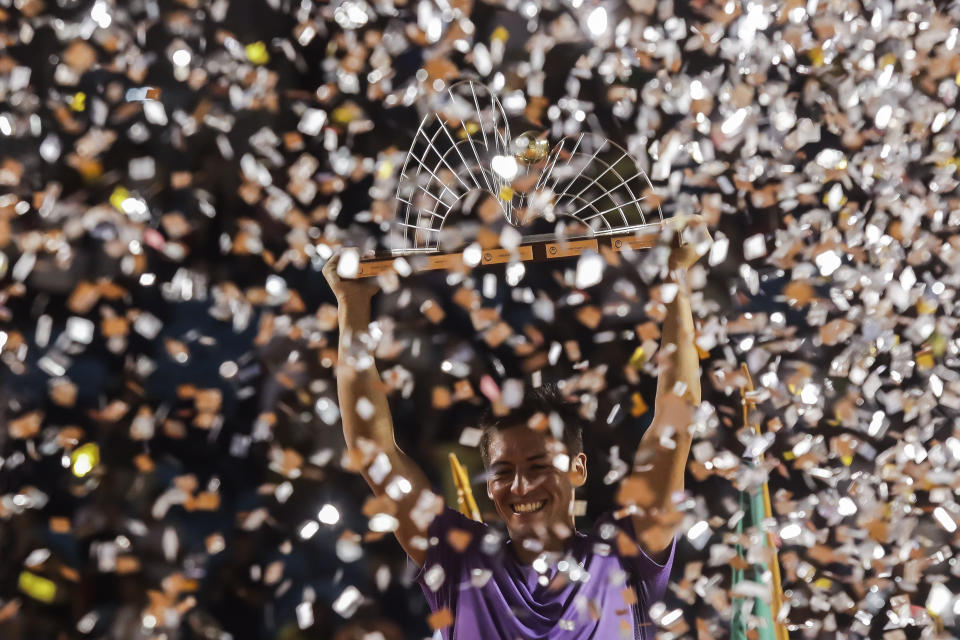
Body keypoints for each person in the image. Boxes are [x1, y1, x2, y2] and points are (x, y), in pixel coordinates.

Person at [322, 217, 709, 639]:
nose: (520, 487)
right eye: (503, 472)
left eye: (539, 466)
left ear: (578, 468)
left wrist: (677, 279)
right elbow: (373, 452)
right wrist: (352, 307)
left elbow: (675, 424)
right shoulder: (458, 559)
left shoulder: (623, 554)